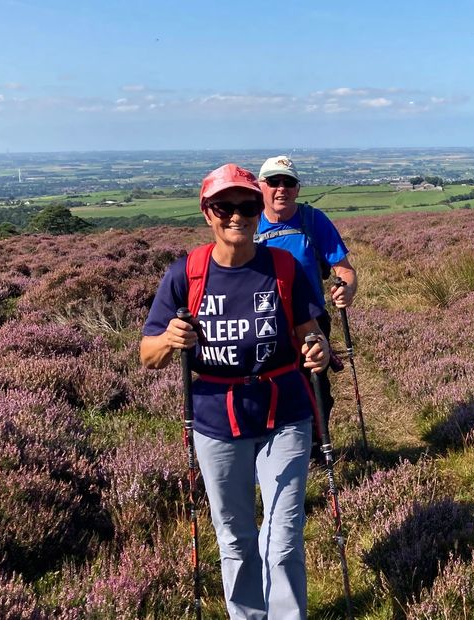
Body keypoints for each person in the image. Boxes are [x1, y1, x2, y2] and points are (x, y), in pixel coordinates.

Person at [140, 163, 329, 619]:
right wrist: (170, 339)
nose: (237, 216)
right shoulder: (186, 274)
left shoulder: (283, 267)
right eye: (225, 207)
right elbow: (148, 354)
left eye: (246, 206)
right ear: (208, 212)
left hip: (285, 414)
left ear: (258, 207)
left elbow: (308, 331)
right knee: (235, 538)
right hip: (216, 421)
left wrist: (318, 348)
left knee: (283, 537)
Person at [254, 155, 358, 460]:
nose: (281, 189)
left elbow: (344, 269)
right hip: (263, 324)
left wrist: (347, 287)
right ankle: (268, 452)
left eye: (288, 182)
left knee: (314, 387)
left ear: (298, 189)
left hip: (311, 322)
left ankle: (314, 452)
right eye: (273, 182)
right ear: (261, 187)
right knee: (266, 390)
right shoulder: (249, 224)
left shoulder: (314, 221)